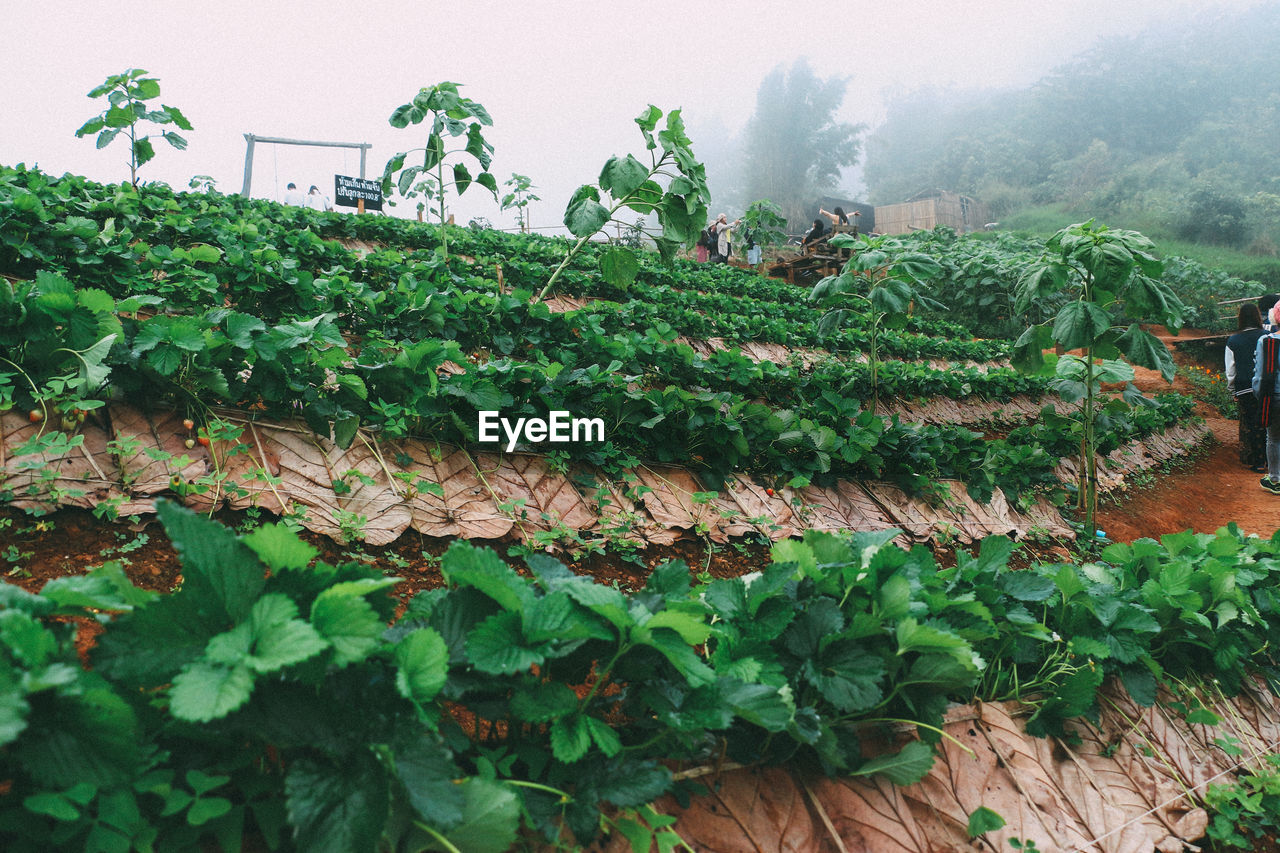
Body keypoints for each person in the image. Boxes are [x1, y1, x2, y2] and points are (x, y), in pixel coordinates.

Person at [1226, 302, 1268, 472]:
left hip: (1244, 387)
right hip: (1266, 386)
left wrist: (1232, 389)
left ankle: (1257, 462)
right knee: (1268, 424)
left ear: (1241, 319)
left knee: (1251, 424)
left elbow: (1231, 369)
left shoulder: (1233, 340)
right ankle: (1270, 461)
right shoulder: (1267, 336)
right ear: (1258, 316)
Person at [1252, 304, 1280, 493]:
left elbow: (1260, 374)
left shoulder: (1267, 341)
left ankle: (1276, 479)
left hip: (1275, 395)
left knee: (1274, 437)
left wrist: (1258, 394)